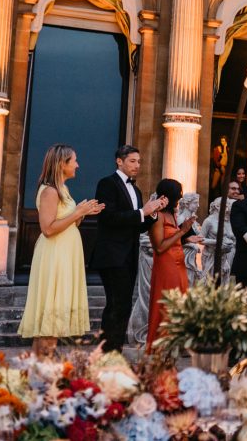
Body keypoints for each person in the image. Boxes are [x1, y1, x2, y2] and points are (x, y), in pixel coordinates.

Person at [19, 144, 104, 354]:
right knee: (52, 316)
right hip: (55, 255)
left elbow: (66, 222)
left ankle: (40, 370)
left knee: (54, 321)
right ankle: (43, 369)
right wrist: (77, 213)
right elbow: (47, 229)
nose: (78, 164)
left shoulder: (63, 189)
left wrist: (83, 212)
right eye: (74, 160)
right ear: (61, 164)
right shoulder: (50, 191)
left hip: (65, 255)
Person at [93, 145, 166, 352]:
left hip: (130, 255)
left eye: (139, 161)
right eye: (133, 161)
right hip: (112, 254)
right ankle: (108, 353)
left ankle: (115, 352)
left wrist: (152, 213)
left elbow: (138, 224)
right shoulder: (107, 184)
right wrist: (143, 211)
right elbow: (108, 218)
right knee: (116, 304)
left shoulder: (136, 190)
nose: (137, 165)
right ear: (119, 161)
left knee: (124, 305)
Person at [147, 179, 194, 349]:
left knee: (179, 306)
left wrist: (185, 233)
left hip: (179, 264)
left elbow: (173, 238)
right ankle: (159, 350)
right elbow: (159, 247)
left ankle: (173, 349)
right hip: (166, 266)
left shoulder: (172, 215)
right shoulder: (157, 216)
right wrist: (182, 231)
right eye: (178, 195)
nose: (179, 199)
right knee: (166, 307)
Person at [201, 197, 236, 283]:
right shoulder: (208, 221)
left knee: (223, 283)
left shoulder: (224, 221)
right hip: (210, 256)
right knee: (210, 283)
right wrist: (216, 242)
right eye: (226, 205)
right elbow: (200, 239)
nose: (227, 208)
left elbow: (228, 238)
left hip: (223, 256)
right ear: (217, 206)